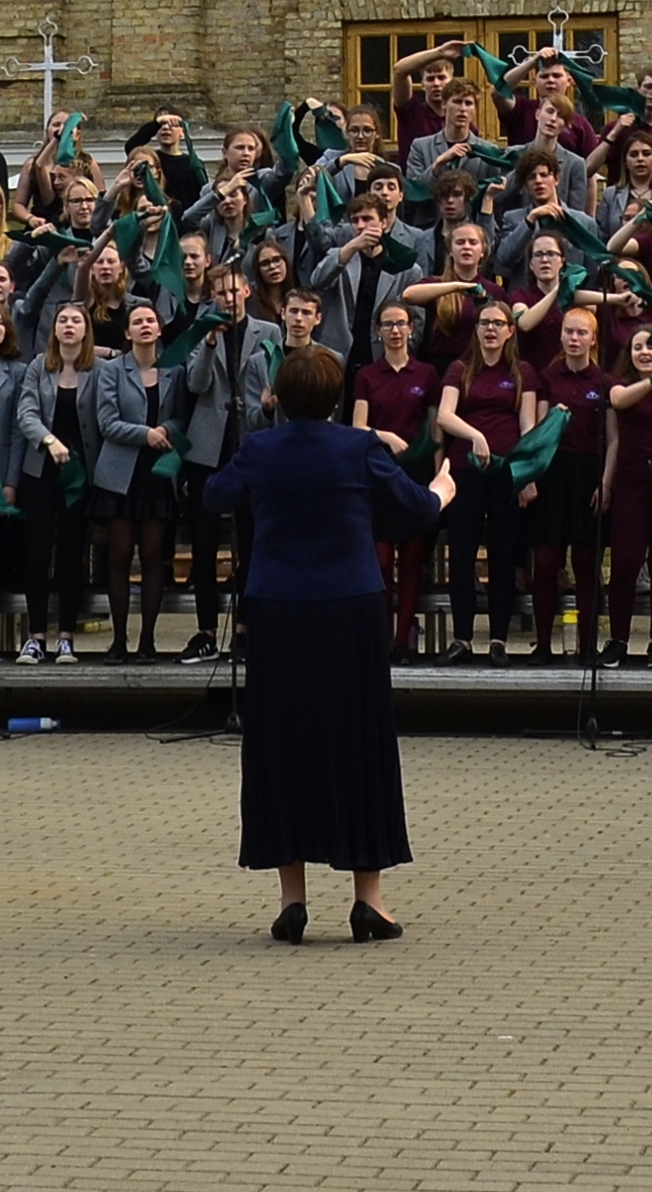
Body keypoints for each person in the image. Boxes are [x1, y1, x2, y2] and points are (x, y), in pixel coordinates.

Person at [203, 337, 447, 941]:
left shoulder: (261, 448)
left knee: (283, 740)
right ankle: (369, 899)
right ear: (337, 398)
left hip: (280, 608)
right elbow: (416, 510)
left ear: (279, 398)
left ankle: (292, 898)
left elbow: (213, 497)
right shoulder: (359, 447)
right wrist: (443, 488)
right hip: (349, 608)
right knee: (357, 740)